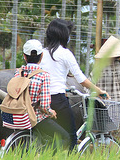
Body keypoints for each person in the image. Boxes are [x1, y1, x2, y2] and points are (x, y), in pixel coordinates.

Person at [40, 19, 106, 150]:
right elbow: (81, 79)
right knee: (71, 136)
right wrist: (98, 90)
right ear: (64, 35)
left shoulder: (42, 53)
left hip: (42, 100)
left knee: (53, 135)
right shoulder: (65, 53)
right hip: (58, 100)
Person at [17, 39, 70, 150]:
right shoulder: (43, 76)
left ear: (24, 56)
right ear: (41, 57)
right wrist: (51, 112)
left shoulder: (19, 72)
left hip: (19, 116)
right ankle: (42, 153)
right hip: (35, 119)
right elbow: (45, 106)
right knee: (65, 138)